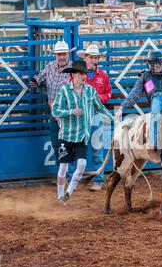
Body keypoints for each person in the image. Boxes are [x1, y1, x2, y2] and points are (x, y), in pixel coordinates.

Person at [52, 60, 114, 204]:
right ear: (73, 75)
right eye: (81, 74)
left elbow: (100, 107)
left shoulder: (90, 91)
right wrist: (71, 112)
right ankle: (60, 196)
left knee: (81, 165)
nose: (84, 76)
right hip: (67, 135)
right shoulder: (64, 90)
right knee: (63, 167)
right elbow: (55, 110)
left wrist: (113, 120)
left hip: (83, 135)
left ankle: (67, 193)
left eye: (85, 73)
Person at [113, 50, 162, 163]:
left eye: (160, 63)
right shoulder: (145, 76)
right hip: (155, 97)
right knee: (155, 118)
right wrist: (122, 108)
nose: (157, 66)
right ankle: (152, 147)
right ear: (150, 65)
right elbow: (134, 94)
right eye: (155, 64)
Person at [69, 44, 111, 191]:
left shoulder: (103, 76)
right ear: (85, 58)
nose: (94, 60)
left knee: (97, 149)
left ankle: (98, 181)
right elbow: (70, 89)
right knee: (75, 147)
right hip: (80, 116)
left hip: (96, 116)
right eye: (91, 57)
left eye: (96, 57)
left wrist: (97, 98)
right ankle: (72, 180)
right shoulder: (78, 74)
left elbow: (108, 94)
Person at [30, 41, 72, 164]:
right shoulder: (50, 67)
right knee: (55, 142)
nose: (62, 57)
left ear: (68, 54)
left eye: (64, 54)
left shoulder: (73, 69)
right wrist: (35, 81)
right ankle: (62, 172)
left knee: (67, 143)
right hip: (54, 111)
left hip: (68, 112)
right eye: (59, 54)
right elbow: (40, 77)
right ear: (55, 55)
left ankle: (68, 175)